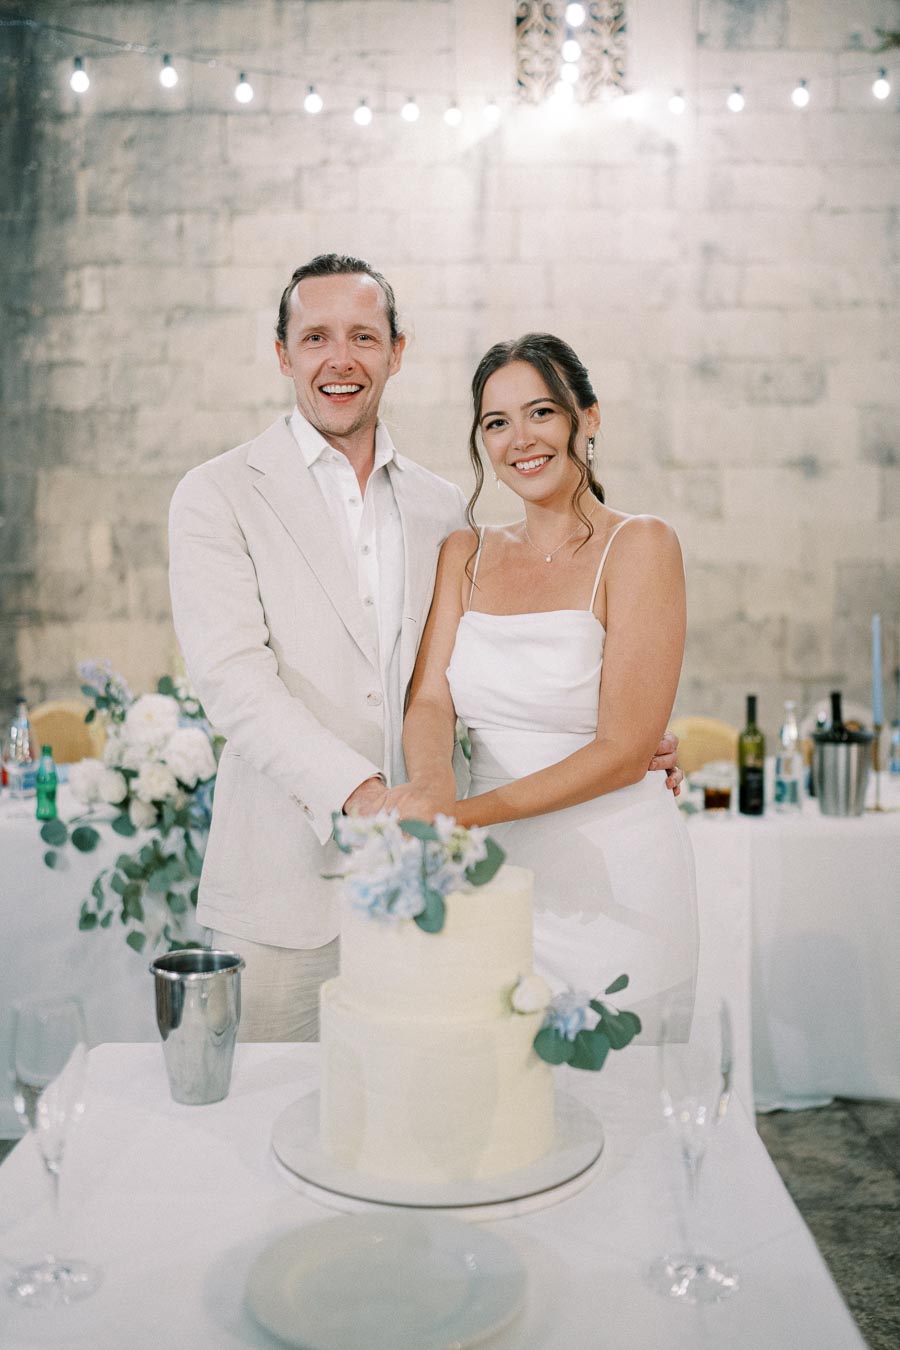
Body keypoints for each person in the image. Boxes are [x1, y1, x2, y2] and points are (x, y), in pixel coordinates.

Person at [169, 257, 684, 1042]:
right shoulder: (218, 494)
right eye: (315, 337)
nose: (340, 358)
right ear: (283, 354)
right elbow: (235, 684)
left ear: (396, 352)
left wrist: (617, 742)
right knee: (265, 1117)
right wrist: (386, 801)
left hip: (450, 886)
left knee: (433, 1116)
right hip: (287, 883)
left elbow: (448, 686)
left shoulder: (442, 509)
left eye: (363, 337)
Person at [387, 333, 698, 1038]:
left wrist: (465, 819)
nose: (519, 439)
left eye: (541, 413)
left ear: (587, 417)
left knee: (621, 1107)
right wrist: (434, 792)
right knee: (507, 1111)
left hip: (618, 877)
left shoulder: (641, 545)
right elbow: (431, 699)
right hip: (496, 880)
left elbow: (625, 749)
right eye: (496, 423)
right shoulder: (464, 553)